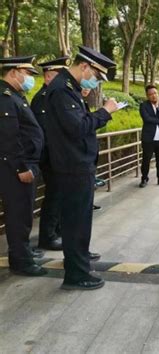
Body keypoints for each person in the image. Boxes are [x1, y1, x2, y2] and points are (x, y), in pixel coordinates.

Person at [43, 46, 118, 290]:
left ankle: (78, 261)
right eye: (97, 76)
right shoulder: (63, 91)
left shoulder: (70, 88)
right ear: (85, 66)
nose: (96, 82)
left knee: (79, 220)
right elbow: (78, 128)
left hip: (76, 165)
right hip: (73, 167)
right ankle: (77, 274)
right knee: (76, 222)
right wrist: (105, 112)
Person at [0, 55, 46, 276]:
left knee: (24, 213)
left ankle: (23, 252)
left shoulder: (16, 95)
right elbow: (9, 138)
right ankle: (21, 261)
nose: (29, 78)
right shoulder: (5, 97)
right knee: (19, 215)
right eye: (27, 73)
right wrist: (21, 168)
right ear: (13, 72)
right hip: (16, 170)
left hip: (23, 166)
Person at [31, 56, 70, 251]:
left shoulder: (54, 95)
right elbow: (45, 133)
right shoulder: (43, 99)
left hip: (58, 157)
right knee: (53, 196)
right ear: (48, 77)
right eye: (59, 76)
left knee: (60, 195)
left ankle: (57, 230)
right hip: (50, 158)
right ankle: (47, 237)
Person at [139, 85, 159, 188]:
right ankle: (144, 179)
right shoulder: (143, 106)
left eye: (155, 93)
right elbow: (147, 119)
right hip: (148, 138)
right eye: (151, 94)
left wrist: (158, 108)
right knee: (146, 160)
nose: (154, 96)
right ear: (147, 96)